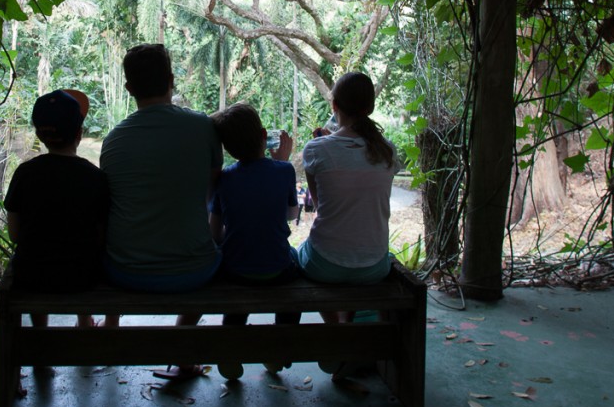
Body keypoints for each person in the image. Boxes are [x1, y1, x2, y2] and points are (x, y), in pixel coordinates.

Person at [99, 43, 222, 379]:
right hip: (195, 270)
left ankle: (110, 324)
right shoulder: (202, 127)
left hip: (125, 270)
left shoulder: (113, 141)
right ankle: (183, 347)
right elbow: (212, 189)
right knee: (217, 243)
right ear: (172, 80)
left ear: (128, 88)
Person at [4, 89, 110, 330]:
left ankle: (41, 337)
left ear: (39, 135)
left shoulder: (25, 173)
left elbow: (15, 235)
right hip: (82, 276)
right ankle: (85, 322)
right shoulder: (95, 178)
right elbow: (100, 236)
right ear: (79, 134)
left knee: (31, 258)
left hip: (32, 275)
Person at [208, 102, 300, 380]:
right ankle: (278, 351)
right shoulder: (284, 171)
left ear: (228, 149)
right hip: (277, 270)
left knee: (235, 306)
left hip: (236, 272)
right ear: (263, 135)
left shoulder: (225, 179)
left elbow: (215, 234)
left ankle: (231, 354)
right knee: (295, 265)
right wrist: (282, 160)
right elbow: (291, 215)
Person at [298, 72, 399, 323]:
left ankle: (336, 328)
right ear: (371, 107)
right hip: (374, 265)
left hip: (326, 264)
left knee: (298, 253)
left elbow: (321, 206)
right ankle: (347, 322)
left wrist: (324, 141)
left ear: (334, 106)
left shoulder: (316, 148)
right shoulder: (387, 150)